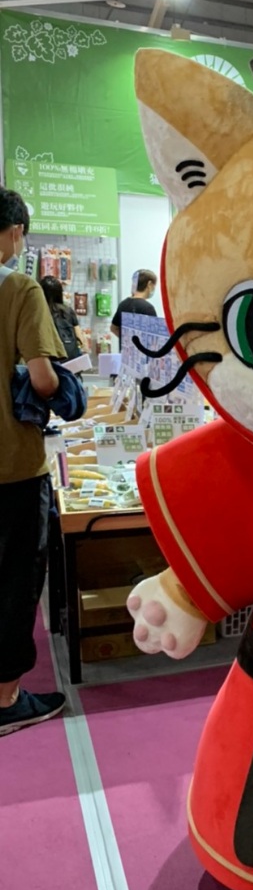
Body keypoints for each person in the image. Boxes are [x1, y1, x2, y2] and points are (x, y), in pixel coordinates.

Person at [0, 187, 67, 736]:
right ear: (17, 231)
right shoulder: (19, 287)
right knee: (16, 583)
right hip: (12, 467)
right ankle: (6, 700)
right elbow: (43, 379)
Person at [40, 275, 85, 362]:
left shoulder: (41, 312)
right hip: (71, 360)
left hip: (52, 360)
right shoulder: (68, 311)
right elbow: (80, 338)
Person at [110, 268, 157, 341]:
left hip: (126, 347)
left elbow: (113, 328)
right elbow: (155, 338)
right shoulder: (148, 308)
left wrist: (128, 340)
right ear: (149, 284)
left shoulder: (123, 304)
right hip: (142, 348)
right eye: (154, 286)